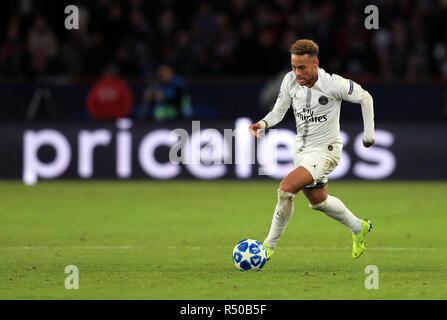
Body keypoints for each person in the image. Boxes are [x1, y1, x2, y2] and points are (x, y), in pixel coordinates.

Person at [249, 39, 375, 260]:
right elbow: (279, 111)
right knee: (319, 202)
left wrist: (368, 136)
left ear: (315, 63)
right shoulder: (290, 81)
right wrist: (263, 123)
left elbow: (366, 97)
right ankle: (358, 227)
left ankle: (268, 246)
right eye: (294, 66)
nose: (297, 72)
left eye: (302, 67)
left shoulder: (333, 84)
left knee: (285, 189)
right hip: (302, 150)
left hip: (326, 151)